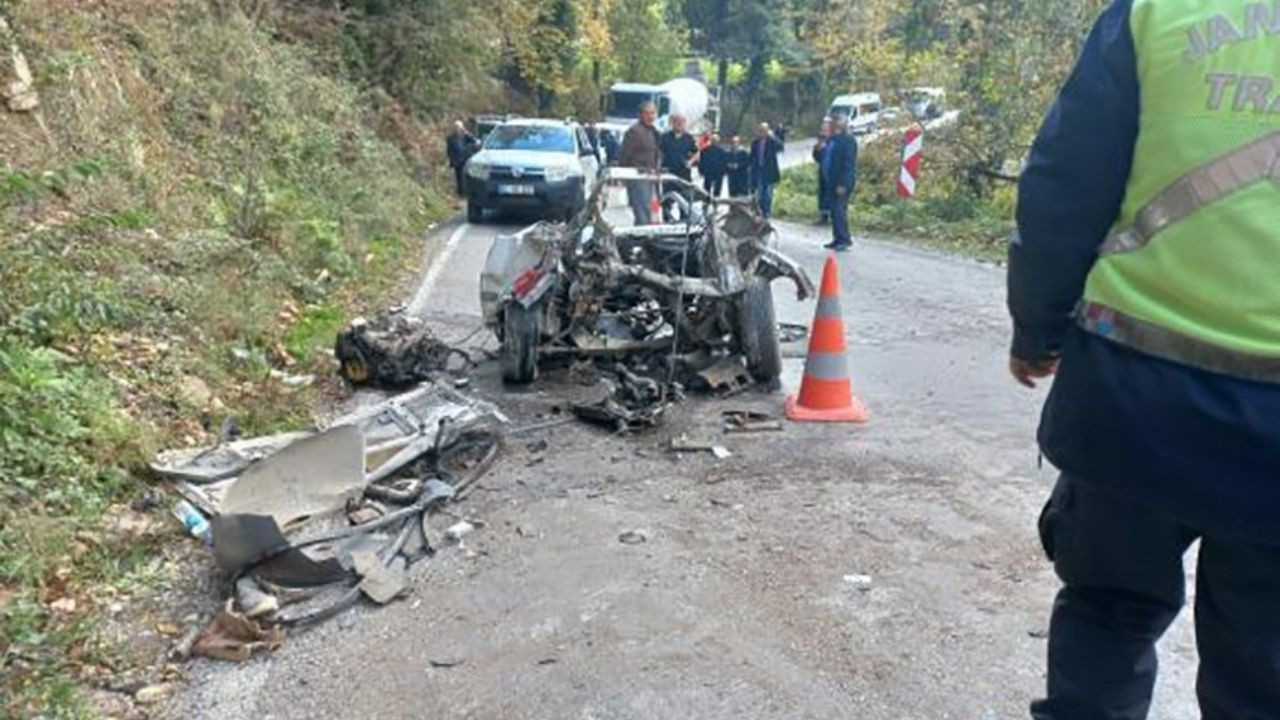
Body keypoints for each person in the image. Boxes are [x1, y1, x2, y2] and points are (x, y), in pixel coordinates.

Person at [1009, 2, 1280, 718]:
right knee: (1263, 668)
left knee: (1107, 613)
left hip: (1136, 387)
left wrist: (1037, 329)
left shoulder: (1157, 12)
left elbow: (1065, 183)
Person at [619, 102, 661, 225]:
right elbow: (624, 155)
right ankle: (644, 238)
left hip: (653, 178)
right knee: (642, 212)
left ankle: (653, 235)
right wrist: (624, 176)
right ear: (640, 115)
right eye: (647, 113)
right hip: (638, 178)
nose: (650, 116)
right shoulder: (634, 132)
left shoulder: (655, 132)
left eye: (653, 113)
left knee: (654, 211)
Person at [823, 117, 856, 252]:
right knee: (834, 211)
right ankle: (837, 238)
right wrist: (818, 150)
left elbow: (848, 164)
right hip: (831, 180)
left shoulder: (848, 141)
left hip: (841, 181)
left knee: (839, 210)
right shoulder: (832, 140)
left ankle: (845, 239)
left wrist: (843, 183)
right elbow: (824, 158)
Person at [659, 114, 699, 221]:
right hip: (668, 173)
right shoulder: (665, 137)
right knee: (666, 200)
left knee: (684, 201)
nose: (679, 124)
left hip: (684, 175)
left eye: (682, 122)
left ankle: (683, 222)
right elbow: (659, 153)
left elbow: (697, 153)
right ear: (672, 123)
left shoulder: (689, 138)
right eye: (677, 122)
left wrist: (690, 162)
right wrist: (659, 166)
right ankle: (667, 221)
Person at [749, 123, 783, 218]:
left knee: (768, 193)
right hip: (759, 170)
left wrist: (773, 137)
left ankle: (767, 211)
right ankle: (760, 210)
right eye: (760, 130)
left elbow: (781, 147)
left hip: (769, 171)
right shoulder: (755, 143)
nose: (762, 133)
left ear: (768, 131)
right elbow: (752, 157)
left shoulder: (771, 141)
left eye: (764, 131)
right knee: (759, 192)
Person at [445, 120, 478, 196]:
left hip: (465, 159)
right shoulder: (450, 138)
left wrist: (466, 133)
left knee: (466, 177)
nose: (457, 129)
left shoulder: (465, 136)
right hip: (456, 160)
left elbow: (474, 141)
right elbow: (449, 150)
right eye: (456, 127)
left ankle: (466, 192)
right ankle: (460, 193)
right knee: (458, 177)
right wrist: (451, 160)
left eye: (459, 127)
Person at [811, 118, 833, 224]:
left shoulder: (834, 140)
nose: (824, 130)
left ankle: (832, 216)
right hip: (823, 170)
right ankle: (823, 216)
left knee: (831, 194)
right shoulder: (821, 140)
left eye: (826, 128)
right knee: (822, 193)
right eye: (823, 128)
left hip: (832, 171)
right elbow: (816, 158)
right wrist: (817, 149)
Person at [700, 133, 728, 198]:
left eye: (716, 140)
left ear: (718, 141)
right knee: (706, 190)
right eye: (713, 140)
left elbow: (724, 163)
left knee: (717, 191)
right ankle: (705, 202)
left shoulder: (722, 152)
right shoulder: (705, 150)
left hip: (718, 174)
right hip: (708, 173)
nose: (714, 141)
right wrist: (701, 170)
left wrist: (723, 172)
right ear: (711, 141)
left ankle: (716, 203)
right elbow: (702, 161)